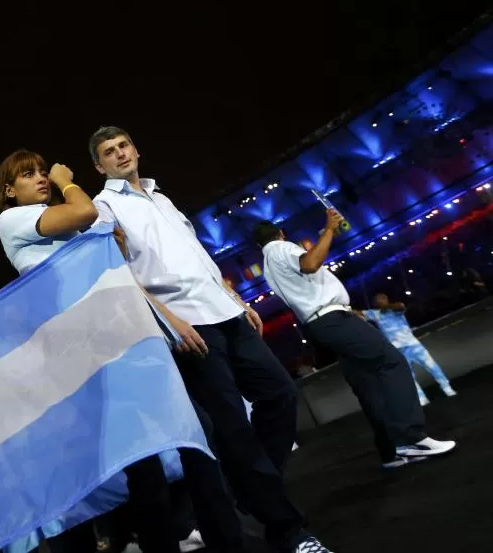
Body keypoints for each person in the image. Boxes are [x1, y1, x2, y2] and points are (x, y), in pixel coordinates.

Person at [88, 126, 330, 553]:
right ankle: (287, 530)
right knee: (234, 428)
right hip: (187, 326)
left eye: (124, 145)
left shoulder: (161, 197)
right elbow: (116, 274)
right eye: (110, 152)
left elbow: (196, 254)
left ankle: (250, 489)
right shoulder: (103, 207)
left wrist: (233, 294)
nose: (120, 154)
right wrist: (169, 323)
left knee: (280, 395)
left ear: (137, 149)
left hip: (226, 311)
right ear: (99, 165)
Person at [0, 149, 245, 553]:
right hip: (89, 350)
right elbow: (85, 213)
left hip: (122, 335)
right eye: (28, 175)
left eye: (43, 172)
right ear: (9, 191)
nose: (41, 177)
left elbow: (113, 266)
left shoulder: (60, 224)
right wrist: (65, 180)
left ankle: (222, 536)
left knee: (189, 436)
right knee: (148, 462)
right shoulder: (13, 219)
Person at [254, 215, 456, 470]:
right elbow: (310, 263)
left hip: (320, 325)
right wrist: (327, 229)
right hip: (333, 318)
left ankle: (391, 452)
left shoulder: (269, 264)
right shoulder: (282, 248)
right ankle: (411, 438)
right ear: (281, 234)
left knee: (367, 384)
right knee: (392, 363)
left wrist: (327, 236)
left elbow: (307, 267)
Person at [362, 292, 457, 406]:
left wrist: (385, 307)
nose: (380, 300)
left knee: (433, 367)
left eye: (382, 298)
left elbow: (400, 305)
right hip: (398, 350)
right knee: (409, 376)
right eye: (377, 299)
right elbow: (358, 313)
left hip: (413, 345)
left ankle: (446, 387)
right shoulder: (374, 313)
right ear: (374, 303)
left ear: (386, 299)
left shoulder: (394, 309)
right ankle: (421, 398)